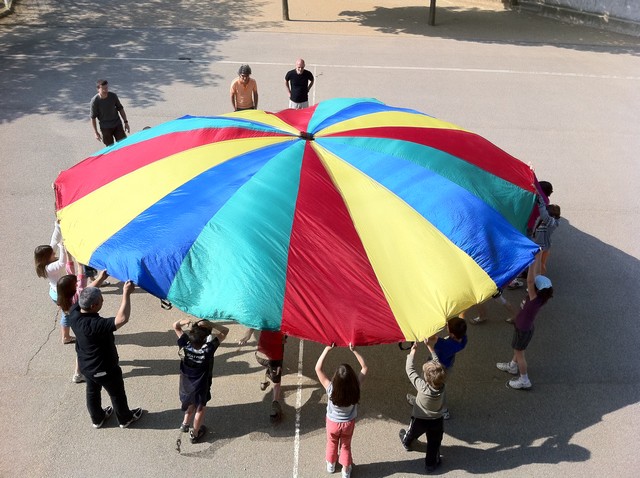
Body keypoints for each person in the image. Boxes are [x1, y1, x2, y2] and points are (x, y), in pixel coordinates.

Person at [68, 282, 143, 428]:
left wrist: (100, 279)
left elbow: (85, 294)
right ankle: (125, 419)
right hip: (105, 368)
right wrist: (126, 293)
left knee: (92, 392)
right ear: (94, 306)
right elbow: (122, 319)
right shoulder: (96, 325)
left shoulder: (74, 313)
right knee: (116, 394)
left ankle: (97, 419)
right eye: (101, 300)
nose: (103, 300)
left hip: (86, 367)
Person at [496, 259, 554, 390]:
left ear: (536, 289)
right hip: (526, 327)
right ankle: (512, 366)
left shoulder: (534, 298)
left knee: (520, 354)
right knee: (518, 349)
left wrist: (531, 261)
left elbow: (530, 280)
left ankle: (524, 379)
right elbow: (536, 276)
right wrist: (537, 256)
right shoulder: (541, 298)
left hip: (522, 329)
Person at [315, 344, 367, 478]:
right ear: (352, 379)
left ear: (335, 379)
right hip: (348, 424)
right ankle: (345, 470)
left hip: (332, 423)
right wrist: (354, 350)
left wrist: (327, 349)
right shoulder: (355, 388)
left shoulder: (331, 389)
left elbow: (318, 368)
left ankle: (331, 464)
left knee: (331, 442)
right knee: (346, 445)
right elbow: (365, 368)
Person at [173, 318, 229, 444]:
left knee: (190, 404)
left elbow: (175, 326)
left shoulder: (185, 346)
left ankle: (185, 423)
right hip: (201, 387)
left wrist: (184, 322)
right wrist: (211, 324)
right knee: (200, 408)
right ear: (205, 339)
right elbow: (225, 331)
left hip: (186, 386)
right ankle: (195, 433)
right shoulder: (207, 351)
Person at [399, 342, 446, 473]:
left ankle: (407, 443)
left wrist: (412, 352)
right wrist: (430, 347)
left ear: (425, 378)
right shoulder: (442, 385)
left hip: (420, 418)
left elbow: (410, 370)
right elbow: (438, 364)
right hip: (437, 420)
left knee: (412, 432)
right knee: (434, 443)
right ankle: (430, 464)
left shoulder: (422, 386)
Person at [407, 317, 467, 419]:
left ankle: (420, 402)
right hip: (448, 365)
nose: (446, 326)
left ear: (452, 334)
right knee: (440, 387)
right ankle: (444, 410)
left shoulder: (444, 344)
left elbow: (431, 338)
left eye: (447, 326)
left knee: (425, 383)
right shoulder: (463, 338)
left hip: (436, 366)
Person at [57, 269, 109, 383]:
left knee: (81, 349)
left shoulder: (62, 298)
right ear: (72, 288)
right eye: (75, 283)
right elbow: (89, 289)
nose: (77, 284)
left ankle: (78, 373)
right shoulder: (77, 296)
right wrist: (100, 278)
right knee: (84, 352)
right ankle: (78, 373)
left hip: (77, 327)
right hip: (85, 326)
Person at [508, 180, 554, 289]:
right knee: (529, 254)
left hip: (522, 226)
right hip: (531, 229)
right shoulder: (544, 202)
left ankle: (516, 275)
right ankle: (528, 276)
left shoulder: (532, 198)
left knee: (520, 251)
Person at [34, 221, 74, 344]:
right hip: (60, 294)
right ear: (46, 257)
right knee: (67, 315)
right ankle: (66, 337)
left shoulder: (45, 263)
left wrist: (58, 226)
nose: (54, 252)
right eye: (52, 254)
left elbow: (54, 240)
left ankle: (67, 335)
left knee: (68, 312)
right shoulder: (49, 268)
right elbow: (62, 262)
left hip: (56, 291)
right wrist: (63, 247)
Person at [239, 328, 286, 421]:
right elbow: (283, 340)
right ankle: (275, 404)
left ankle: (264, 382)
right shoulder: (281, 323)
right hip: (274, 359)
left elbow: (251, 327)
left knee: (267, 366)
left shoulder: (264, 319)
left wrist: (246, 337)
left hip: (260, 356)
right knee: (277, 382)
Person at [90, 79, 130, 146]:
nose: (106, 90)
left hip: (117, 124)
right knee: (110, 148)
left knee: (124, 144)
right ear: (98, 89)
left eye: (106, 88)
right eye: (103, 89)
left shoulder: (113, 96)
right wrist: (96, 132)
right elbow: (93, 117)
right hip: (105, 128)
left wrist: (126, 122)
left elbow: (120, 109)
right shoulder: (94, 101)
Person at [530, 194, 561, 276]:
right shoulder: (551, 222)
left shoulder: (551, 222)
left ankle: (538, 277)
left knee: (539, 264)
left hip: (542, 246)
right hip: (545, 245)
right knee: (540, 263)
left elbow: (543, 213)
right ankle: (538, 276)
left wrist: (540, 199)